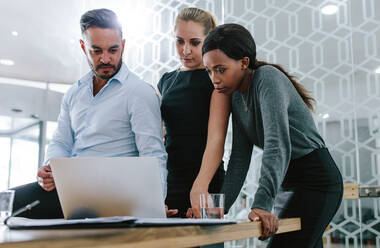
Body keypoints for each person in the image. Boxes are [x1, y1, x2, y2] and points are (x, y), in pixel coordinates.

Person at [189, 23, 343, 247]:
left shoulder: (267, 78)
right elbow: (240, 159)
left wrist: (261, 204)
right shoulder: (236, 96)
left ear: (244, 62)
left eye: (221, 69)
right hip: (288, 183)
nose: (214, 79)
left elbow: (277, 144)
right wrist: (219, 210)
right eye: (209, 71)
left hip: (317, 181)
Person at [11, 8, 173, 219]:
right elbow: (61, 141)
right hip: (68, 189)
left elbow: (153, 154)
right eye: (96, 51)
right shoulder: (74, 93)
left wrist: (155, 206)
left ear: (123, 46)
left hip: (113, 195)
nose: (105, 59)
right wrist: (51, 169)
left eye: (113, 50)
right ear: (82, 46)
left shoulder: (139, 93)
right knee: (7, 202)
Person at [157, 7, 224, 218]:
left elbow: (216, 139)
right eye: (179, 41)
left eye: (194, 42)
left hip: (206, 181)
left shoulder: (216, 79)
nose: (185, 50)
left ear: (209, 40)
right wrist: (154, 189)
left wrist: (200, 187)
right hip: (171, 180)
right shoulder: (166, 80)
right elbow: (158, 138)